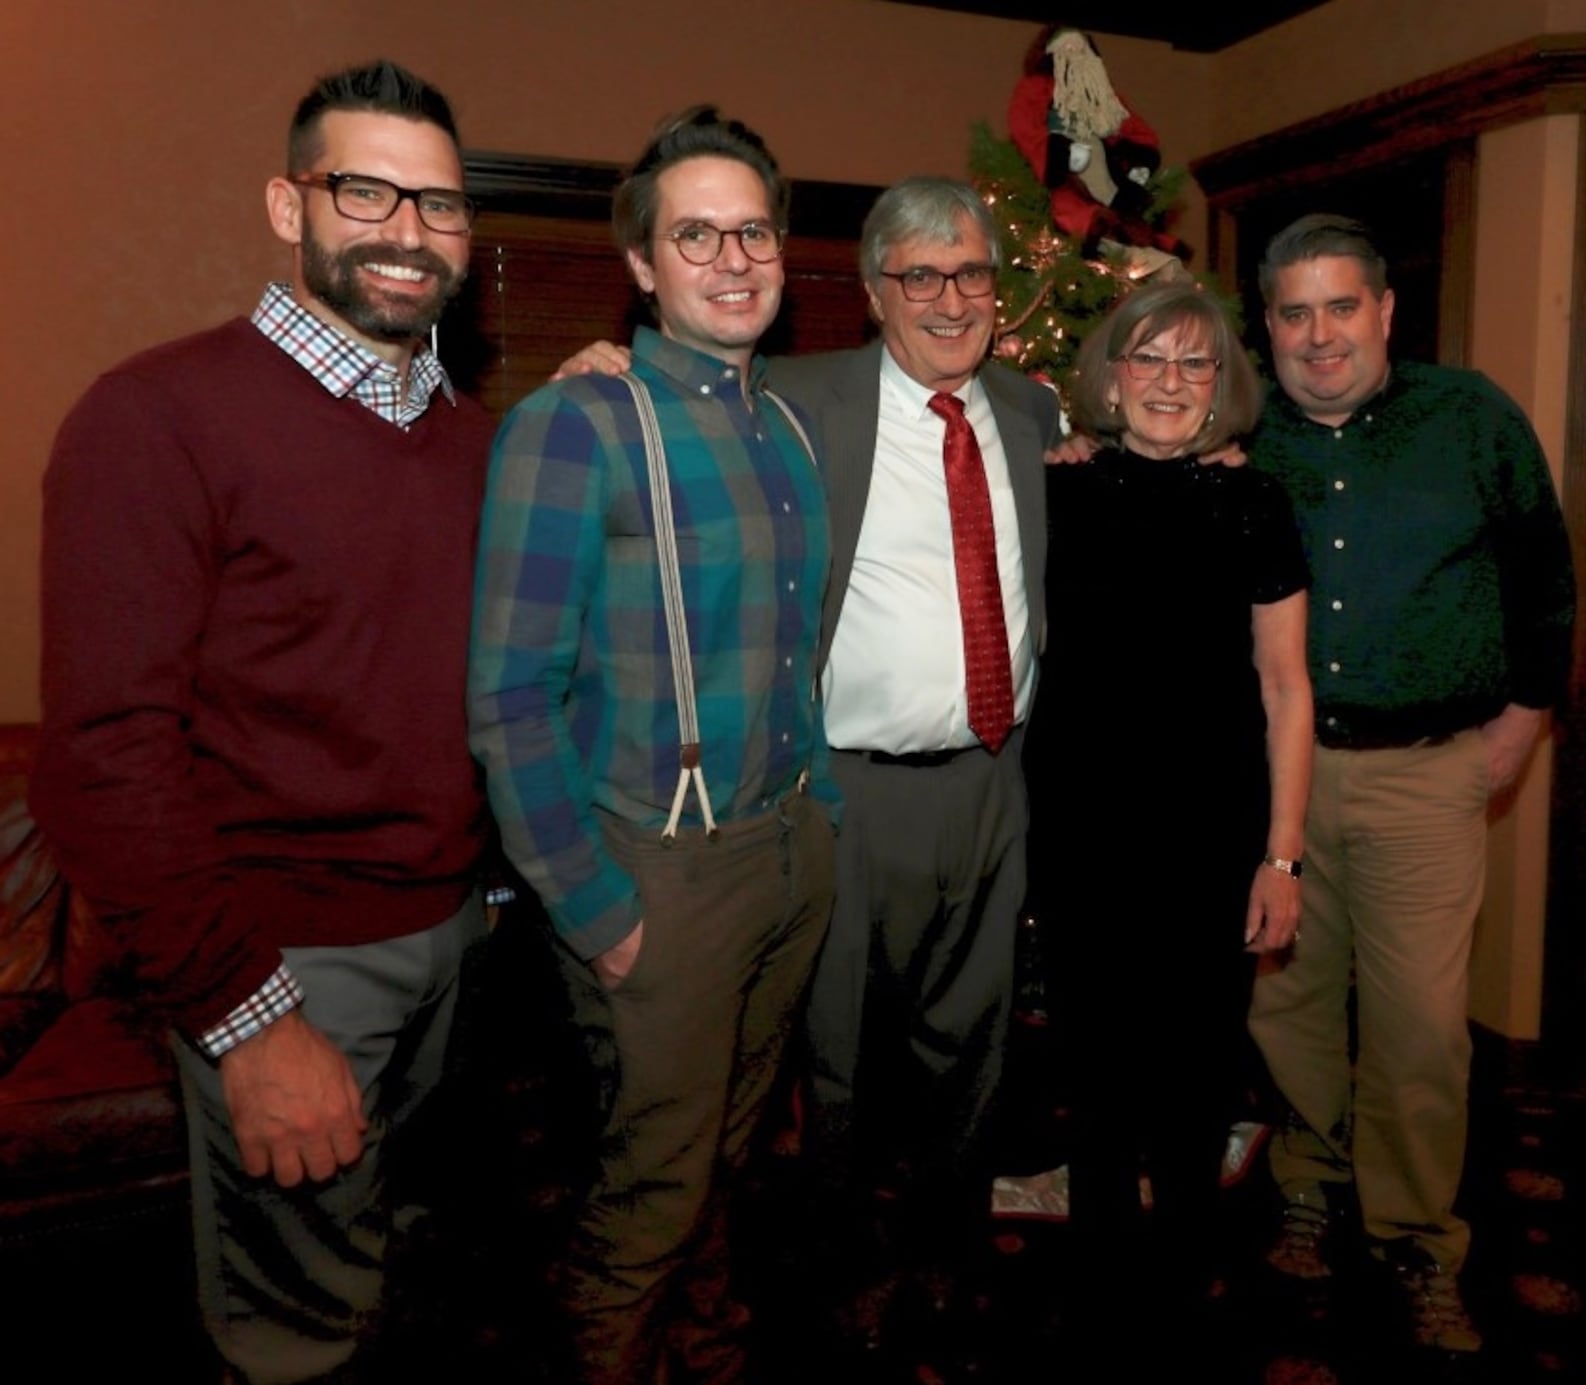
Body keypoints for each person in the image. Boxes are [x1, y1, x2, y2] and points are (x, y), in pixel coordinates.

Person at [30, 61, 492, 1383]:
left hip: (453, 942)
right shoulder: (155, 418)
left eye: (442, 206)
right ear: (288, 205)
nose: (408, 232)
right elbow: (104, 761)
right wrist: (249, 1014)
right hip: (287, 960)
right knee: (298, 1337)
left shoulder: (472, 443)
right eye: (368, 190)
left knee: (407, 1277)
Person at [554, 175, 1060, 1329]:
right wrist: (601, 365)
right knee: (828, 1058)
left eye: (970, 273)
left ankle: (949, 1255)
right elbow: (675, 388)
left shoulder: (1030, 414)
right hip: (849, 790)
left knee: (971, 1052)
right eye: (919, 275)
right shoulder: (796, 396)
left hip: (994, 782)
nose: (949, 299)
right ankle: (831, 1271)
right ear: (874, 291)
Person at [467, 107, 837, 1384]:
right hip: (661, 873)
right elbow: (510, 693)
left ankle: (711, 1345)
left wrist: (823, 811)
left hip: (788, 851)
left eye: (752, 230)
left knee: (725, 1162)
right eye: (696, 234)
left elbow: (801, 653)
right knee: (654, 1185)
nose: (732, 258)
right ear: (641, 264)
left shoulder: (781, 430)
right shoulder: (574, 424)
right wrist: (593, 904)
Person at [1245, 214, 1576, 1353]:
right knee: (1285, 1001)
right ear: (1269, 325)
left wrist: (1527, 714)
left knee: (1422, 1026)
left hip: (1425, 776)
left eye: (1342, 306)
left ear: (1385, 311)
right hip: (1279, 780)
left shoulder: (1471, 417)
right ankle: (1306, 1174)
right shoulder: (1241, 432)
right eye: (1294, 311)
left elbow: (1543, 569)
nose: (1319, 334)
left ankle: (1415, 1231)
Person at [1036, 281, 1311, 1349]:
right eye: (1146, 359)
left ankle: (1185, 1292)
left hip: (1212, 840)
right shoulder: (1053, 491)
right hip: (1081, 836)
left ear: (1222, 388)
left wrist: (1281, 857)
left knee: (1196, 1079)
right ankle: (1100, 1291)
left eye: (1194, 365)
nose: (1168, 381)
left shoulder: (1254, 503)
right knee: (1095, 1080)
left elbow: (1286, 689)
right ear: (1108, 377)